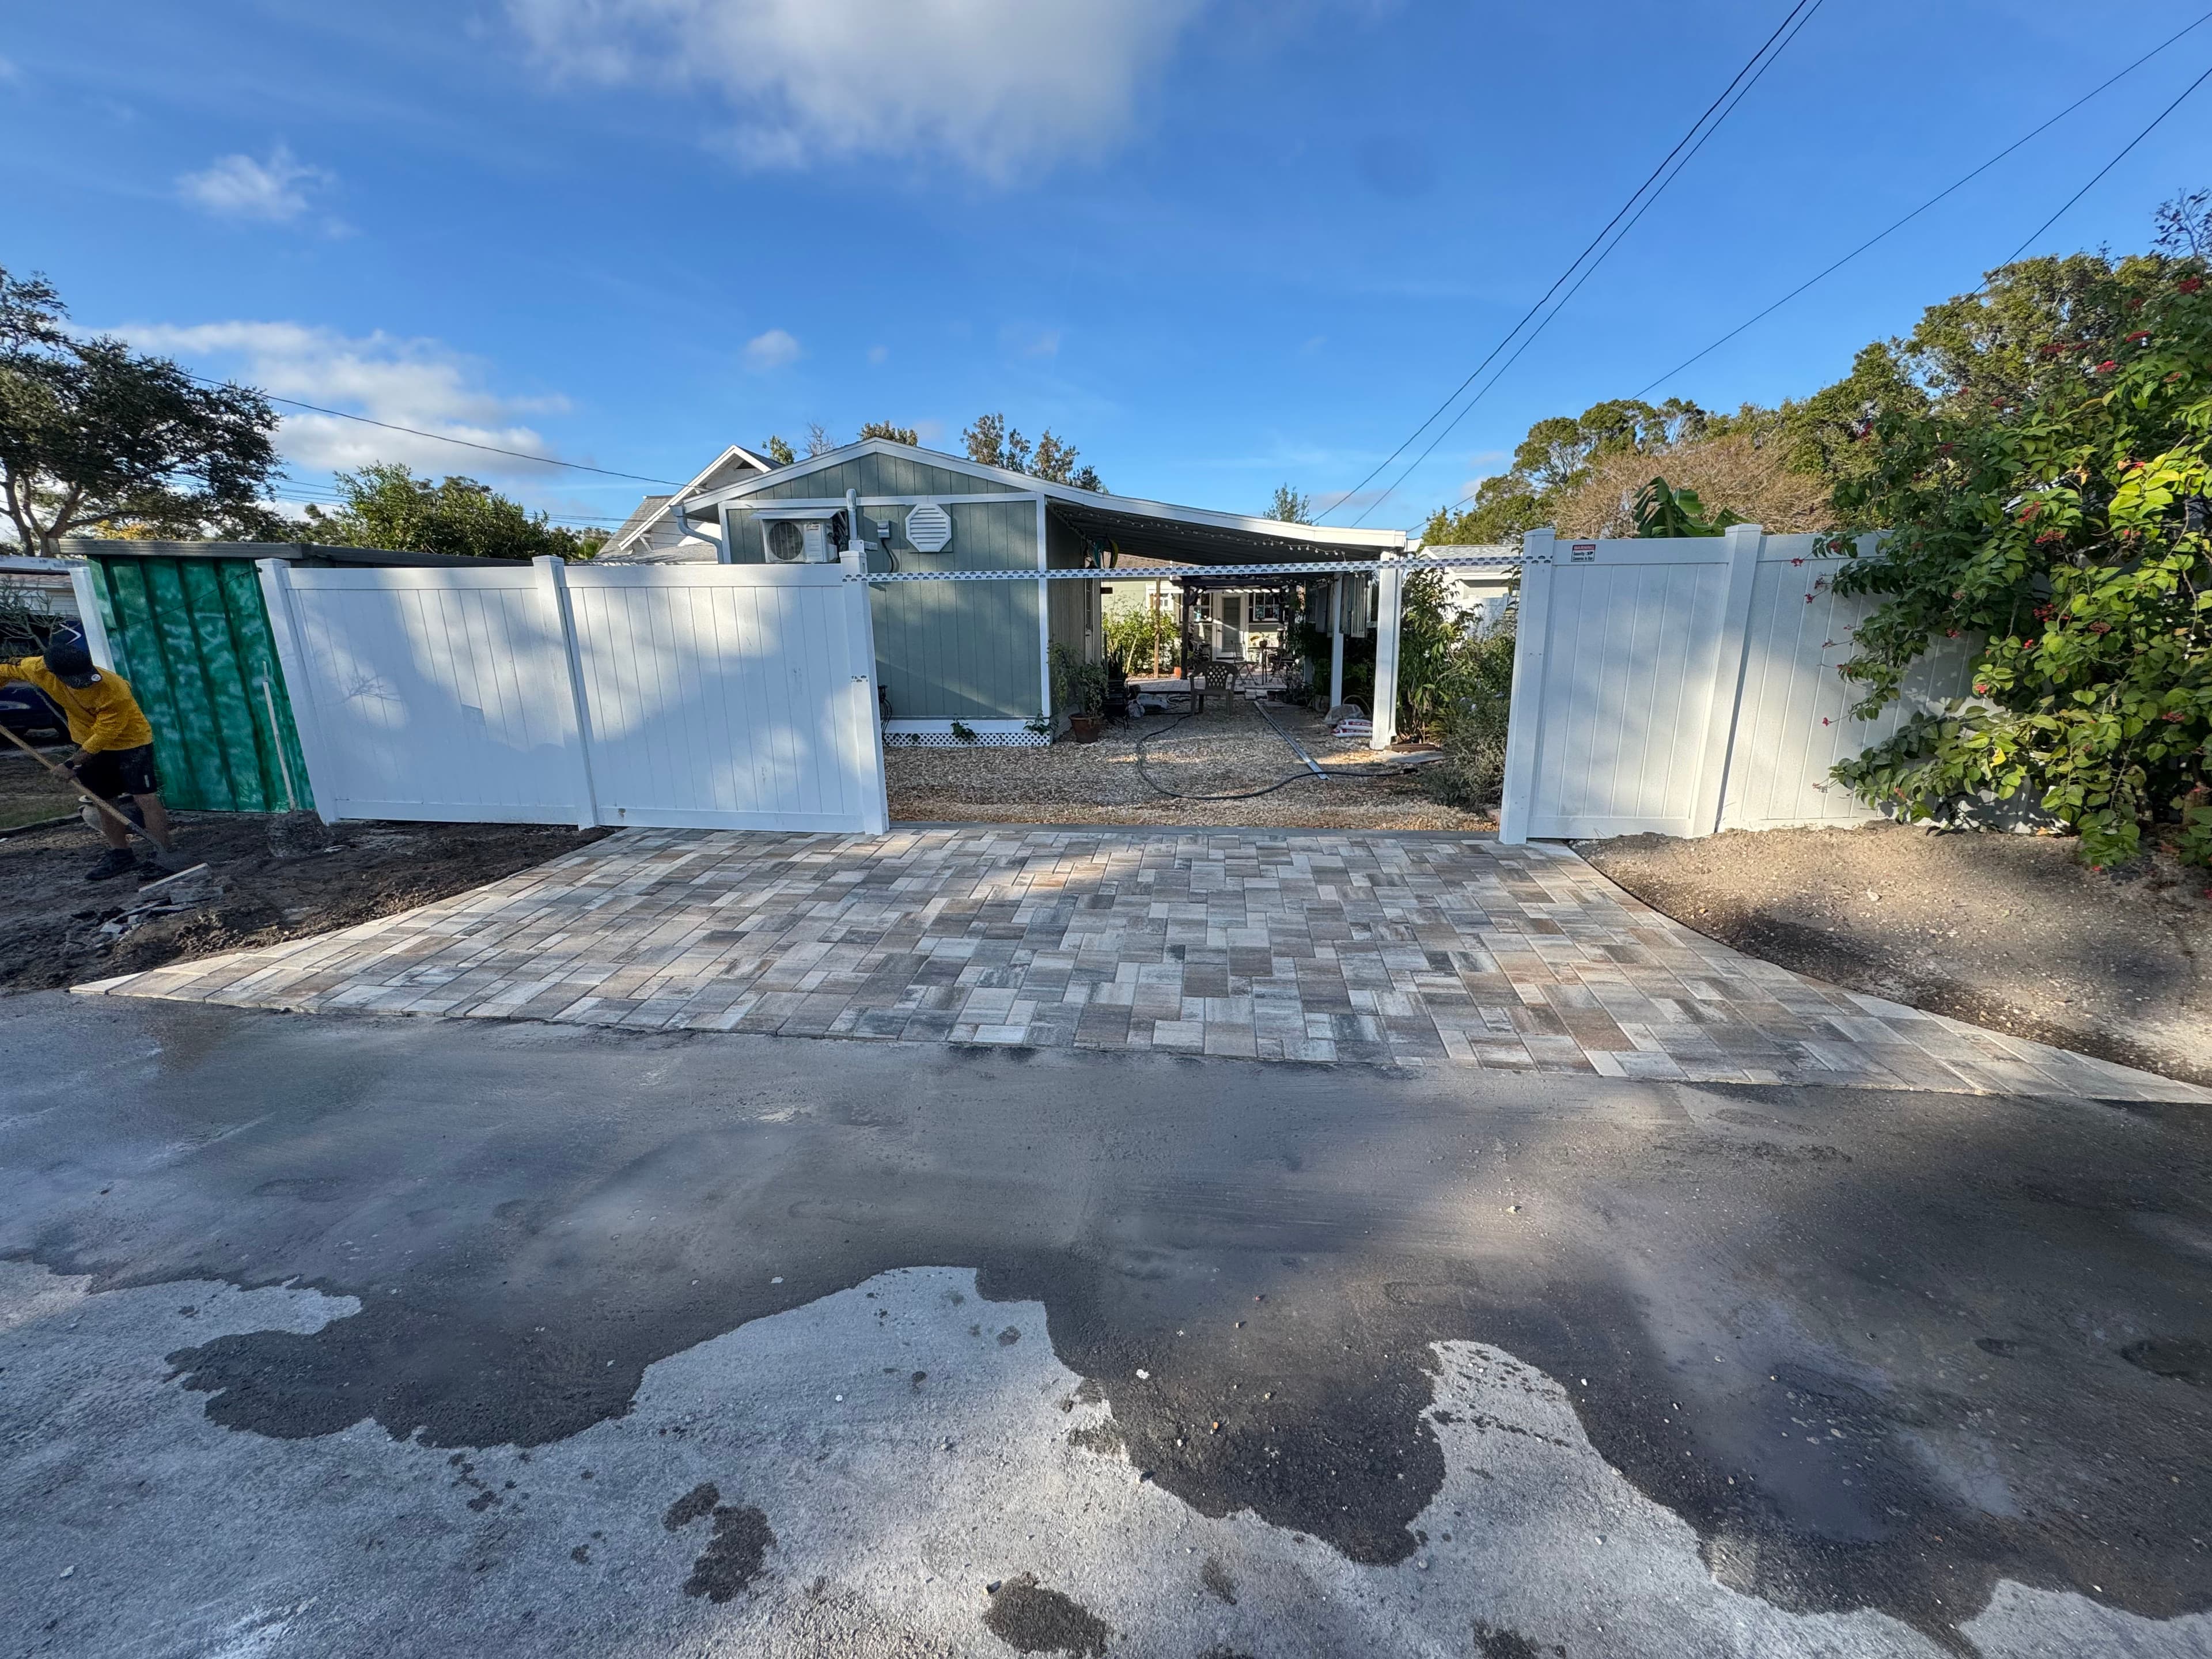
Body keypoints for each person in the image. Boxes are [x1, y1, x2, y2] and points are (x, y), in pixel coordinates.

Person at [0, 632, 177, 880]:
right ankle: (121, 854)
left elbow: (107, 733)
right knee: (104, 800)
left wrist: (72, 763)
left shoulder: (114, 688)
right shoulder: (37, 669)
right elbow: (4, 670)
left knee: (144, 797)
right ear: (56, 675)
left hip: (131, 742)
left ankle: (163, 853)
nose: (87, 683)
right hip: (86, 739)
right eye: (78, 681)